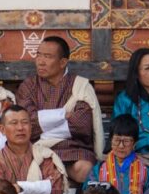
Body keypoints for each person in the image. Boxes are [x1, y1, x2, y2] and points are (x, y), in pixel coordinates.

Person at [16, 35, 103, 183]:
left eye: (48, 57)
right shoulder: (29, 86)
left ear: (63, 62)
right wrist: (62, 116)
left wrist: (42, 124)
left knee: (85, 169)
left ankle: (59, 171)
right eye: (38, 55)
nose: (41, 62)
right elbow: (27, 123)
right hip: (37, 148)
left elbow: (81, 124)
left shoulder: (80, 86)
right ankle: (52, 169)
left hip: (73, 148)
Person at [83, 114, 149, 194]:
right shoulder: (98, 170)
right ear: (111, 141)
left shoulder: (147, 172)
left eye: (126, 141)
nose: (121, 146)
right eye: (117, 140)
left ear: (134, 143)